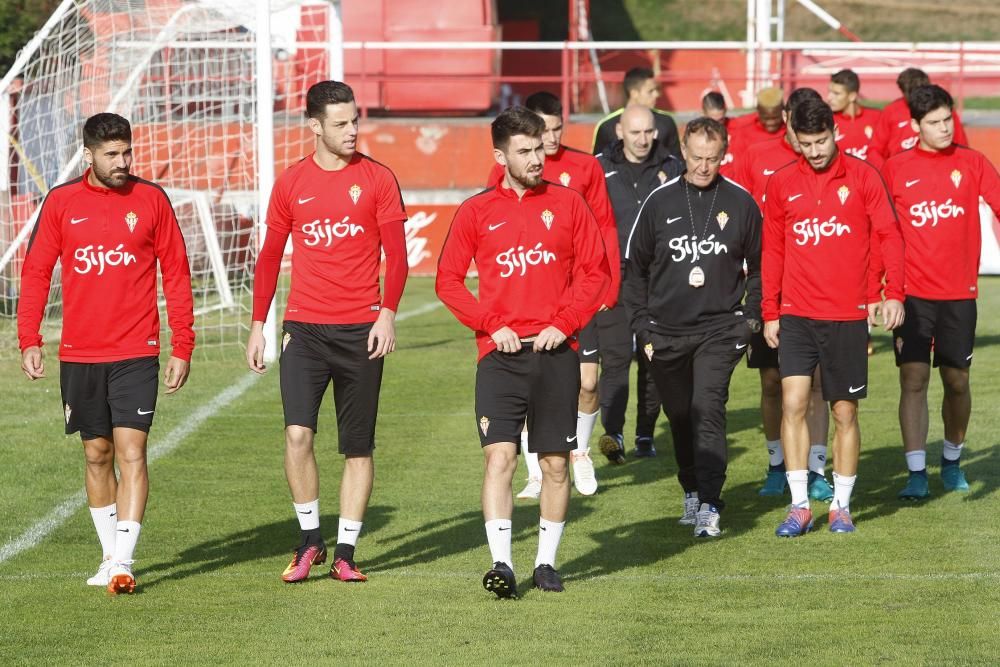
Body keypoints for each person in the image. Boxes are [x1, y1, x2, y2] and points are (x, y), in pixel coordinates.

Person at [17, 112, 195, 594]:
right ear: (88, 154)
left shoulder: (151, 200)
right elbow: (36, 273)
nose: (122, 162)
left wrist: (184, 342)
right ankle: (107, 555)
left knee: (131, 450)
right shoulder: (61, 202)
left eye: (127, 152)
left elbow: (176, 273)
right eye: (111, 154)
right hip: (79, 353)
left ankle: (124, 561)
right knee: (96, 454)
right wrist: (29, 338)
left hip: (137, 349)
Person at [436, 106, 610, 597]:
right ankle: (502, 564)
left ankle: (546, 563)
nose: (538, 157)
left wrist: (565, 322)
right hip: (499, 357)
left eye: (540, 148)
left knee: (555, 464)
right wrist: (492, 327)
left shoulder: (570, 203)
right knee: (500, 458)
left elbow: (596, 272)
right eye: (526, 150)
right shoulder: (475, 211)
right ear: (500, 155)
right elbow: (448, 282)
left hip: (556, 354)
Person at [247, 81, 408, 584]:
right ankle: (309, 539)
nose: (352, 130)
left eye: (355, 120)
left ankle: (346, 551)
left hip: (361, 329)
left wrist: (387, 313)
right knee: (297, 434)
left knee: (357, 447)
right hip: (306, 328)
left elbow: (398, 256)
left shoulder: (379, 178)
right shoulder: (292, 182)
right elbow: (270, 257)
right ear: (314, 126)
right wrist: (258, 324)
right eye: (340, 123)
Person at [762, 97, 905, 536]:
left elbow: (889, 235)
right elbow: (773, 249)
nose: (816, 150)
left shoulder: (864, 177)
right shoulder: (782, 183)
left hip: (846, 316)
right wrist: (770, 309)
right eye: (806, 143)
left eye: (822, 140)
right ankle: (800, 504)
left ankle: (841, 505)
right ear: (795, 140)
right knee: (793, 404)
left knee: (844, 412)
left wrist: (893, 293)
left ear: (835, 133)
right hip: (797, 315)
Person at [623, 116, 762, 538]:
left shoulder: (740, 202)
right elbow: (636, 269)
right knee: (680, 414)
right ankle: (690, 487)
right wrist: (641, 324)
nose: (704, 166)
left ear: (724, 155)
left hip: (720, 330)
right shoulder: (660, 202)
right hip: (664, 331)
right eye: (697, 157)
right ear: (683, 151)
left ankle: (710, 502)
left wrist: (750, 317)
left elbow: (761, 266)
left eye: (713, 158)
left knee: (707, 409)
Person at [486, 92, 619, 498]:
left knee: (589, 382)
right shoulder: (510, 173)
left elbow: (606, 226)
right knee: (530, 383)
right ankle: (536, 470)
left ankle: (578, 449)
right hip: (532, 304)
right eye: (537, 138)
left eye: (553, 131)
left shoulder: (584, 167)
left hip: (579, 299)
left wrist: (607, 287)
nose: (548, 143)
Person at [881, 84, 1000, 499]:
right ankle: (916, 472)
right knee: (912, 379)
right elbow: (882, 231)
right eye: (934, 122)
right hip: (912, 294)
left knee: (958, 381)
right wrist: (882, 289)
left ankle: (951, 460)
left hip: (960, 295)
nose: (945, 128)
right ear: (915, 125)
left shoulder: (973, 162)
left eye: (948, 119)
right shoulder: (895, 168)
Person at [734, 87, 835, 501]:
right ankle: (777, 463)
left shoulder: (828, 167)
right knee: (773, 382)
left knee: (816, 386)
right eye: (796, 125)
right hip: (767, 282)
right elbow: (740, 211)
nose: (802, 139)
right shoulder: (757, 155)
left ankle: (816, 468)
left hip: (820, 289)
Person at [595, 105, 685, 462]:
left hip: (658, 279)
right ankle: (613, 433)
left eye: (648, 132)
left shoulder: (672, 166)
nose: (643, 139)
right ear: (619, 131)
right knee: (615, 357)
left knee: (654, 357)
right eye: (635, 133)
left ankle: (645, 434)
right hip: (613, 277)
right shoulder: (600, 167)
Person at [871, 68, 968, 161]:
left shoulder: (943, 111)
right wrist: (885, 172)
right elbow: (875, 150)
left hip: (939, 167)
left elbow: (962, 146)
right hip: (901, 171)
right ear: (903, 91)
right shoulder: (891, 111)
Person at [591, 67, 681, 157]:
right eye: (650, 91)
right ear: (634, 93)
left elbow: (676, 161)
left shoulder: (666, 122)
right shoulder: (607, 125)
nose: (656, 94)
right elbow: (597, 163)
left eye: (649, 131)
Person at [827, 69, 883, 166]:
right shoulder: (827, 122)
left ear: (852, 96)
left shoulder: (877, 117)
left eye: (836, 94)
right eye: (830, 92)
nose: (829, 98)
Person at [726, 87, 785, 178]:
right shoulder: (745, 133)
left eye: (775, 118)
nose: (771, 123)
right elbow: (739, 170)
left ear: (783, 112)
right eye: (766, 118)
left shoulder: (790, 131)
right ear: (758, 112)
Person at [702, 91, 736, 178]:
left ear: (725, 110)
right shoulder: (695, 133)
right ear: (704, 113)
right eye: (713, 120)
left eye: (721, 120)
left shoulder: (738, 128)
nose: (717, 125)